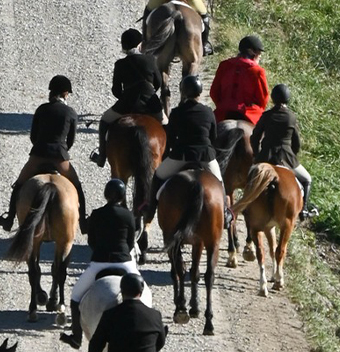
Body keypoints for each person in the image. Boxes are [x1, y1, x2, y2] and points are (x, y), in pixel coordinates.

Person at [0, 75, 89, 233]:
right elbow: (71, 140)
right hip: (60, 157)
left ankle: (9, 219)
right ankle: (83, 223)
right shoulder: (71, 113)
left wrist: (40, 147)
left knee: (19, 185)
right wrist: (62, 150)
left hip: (39, 154)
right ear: (66, 93)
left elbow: (33, 136)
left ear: (52, 92)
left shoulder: (42, 109)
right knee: (77, 186)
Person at [59, 179, 141, 350]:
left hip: (99, 263)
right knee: (143, 292)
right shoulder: (128, 215)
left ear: (106, 195)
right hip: (125, 263)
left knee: (75, 297)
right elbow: (131, 242)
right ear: (122, 196)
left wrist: (100, 252)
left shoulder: (96, 214)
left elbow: (92, 241)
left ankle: (76, 337)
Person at [149, 75, 229, 223]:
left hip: (182, 155)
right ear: (200, 92)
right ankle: (225, 212)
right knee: (219, 182)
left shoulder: (176, 112)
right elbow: (213, 137)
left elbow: (170, 139)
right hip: (206, 156)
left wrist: (167, 155)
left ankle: (150, 210)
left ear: (183, 92)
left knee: (158, 176)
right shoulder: (208, 112)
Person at [91, 28, 165, 167]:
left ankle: (102, 156)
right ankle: (167, 156)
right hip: (150, 104)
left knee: (104, 121)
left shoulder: (120, 64)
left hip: (127, 104)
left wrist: (125, 97)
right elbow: (158, 83)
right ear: (139, 44)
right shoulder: (150, 60)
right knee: (166, 124)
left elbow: (116, 90)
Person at [251, 84, 315, 219]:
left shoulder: (267, 115)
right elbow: (296, 143)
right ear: (288, 99)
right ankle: (303, 210)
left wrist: (257, 155)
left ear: (273, 98)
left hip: (265, 156)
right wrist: (293, 155)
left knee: (250, 179)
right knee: (307, 179)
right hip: (286, 157)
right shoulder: (291, 117)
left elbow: (255, 136)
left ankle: (247, 208)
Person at [210, 35, 269, 125]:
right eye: (259, 53)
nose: (260, 56)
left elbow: (214, 92)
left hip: (224, 111)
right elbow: (263, 99)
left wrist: (223, 104)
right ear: (252, 52)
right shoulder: (257, 71)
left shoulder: (224, 65)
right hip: (248, 113)